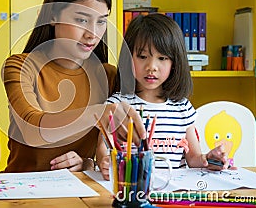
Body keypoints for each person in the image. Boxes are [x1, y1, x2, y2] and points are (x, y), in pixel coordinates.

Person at [2, 0, 145, 173]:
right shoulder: (21, 66)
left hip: (79, 191)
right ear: (53, 15)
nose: (92, 34)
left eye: (101, 22)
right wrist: (98, 113)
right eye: (81, 20)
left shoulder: (109, 76)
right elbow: (33, 129)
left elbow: (104, 153)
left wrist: (87, 164)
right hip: (23, 191)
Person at [97, 13, 229, 180]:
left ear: (174, 63)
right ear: (128, 57)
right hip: (132, 190)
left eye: (162, 58)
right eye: (142, 56)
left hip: (172, 194)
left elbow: (194, 158)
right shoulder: (117, 106)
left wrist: (209, 159)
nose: (151, 67)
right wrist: (105, 161)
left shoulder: (182, 108)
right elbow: (102, 148)